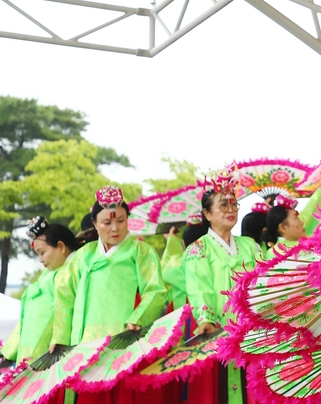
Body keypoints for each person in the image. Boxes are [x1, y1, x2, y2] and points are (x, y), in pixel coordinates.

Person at [183, 169, 264, 404]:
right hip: (216, 330)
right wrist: (205, 319)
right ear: (207, 213)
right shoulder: (198, 249)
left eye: (234, 204)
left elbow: (263, 282)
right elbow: (199, 288)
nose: (231, 210)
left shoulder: (251, 246)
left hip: (251, 331)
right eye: (223, 205)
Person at [52, 185, 168, 348]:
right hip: (83, 342)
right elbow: (64, 295)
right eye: (107, 222)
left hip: (122, 338)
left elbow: (155, 290)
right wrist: (60, 337)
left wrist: (137, 318)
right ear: (95, 223)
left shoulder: (140, 252)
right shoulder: (83, 255)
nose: (115, 228)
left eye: (121, 220)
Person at [1, 218, 78, 363]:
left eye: (42, 253)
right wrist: (9, 352)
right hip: (32, 343)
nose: (40, 260)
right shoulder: (49, 273)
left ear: (60, 246)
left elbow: (65, 309)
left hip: (51, 347)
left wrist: (59, 338)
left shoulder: (74, 269)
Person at [259, 183, 321, 252]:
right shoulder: (279, 254)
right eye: (296, 218)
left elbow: (308, 214)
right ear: (283, 227)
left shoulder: (304, 242)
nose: (302, 222)